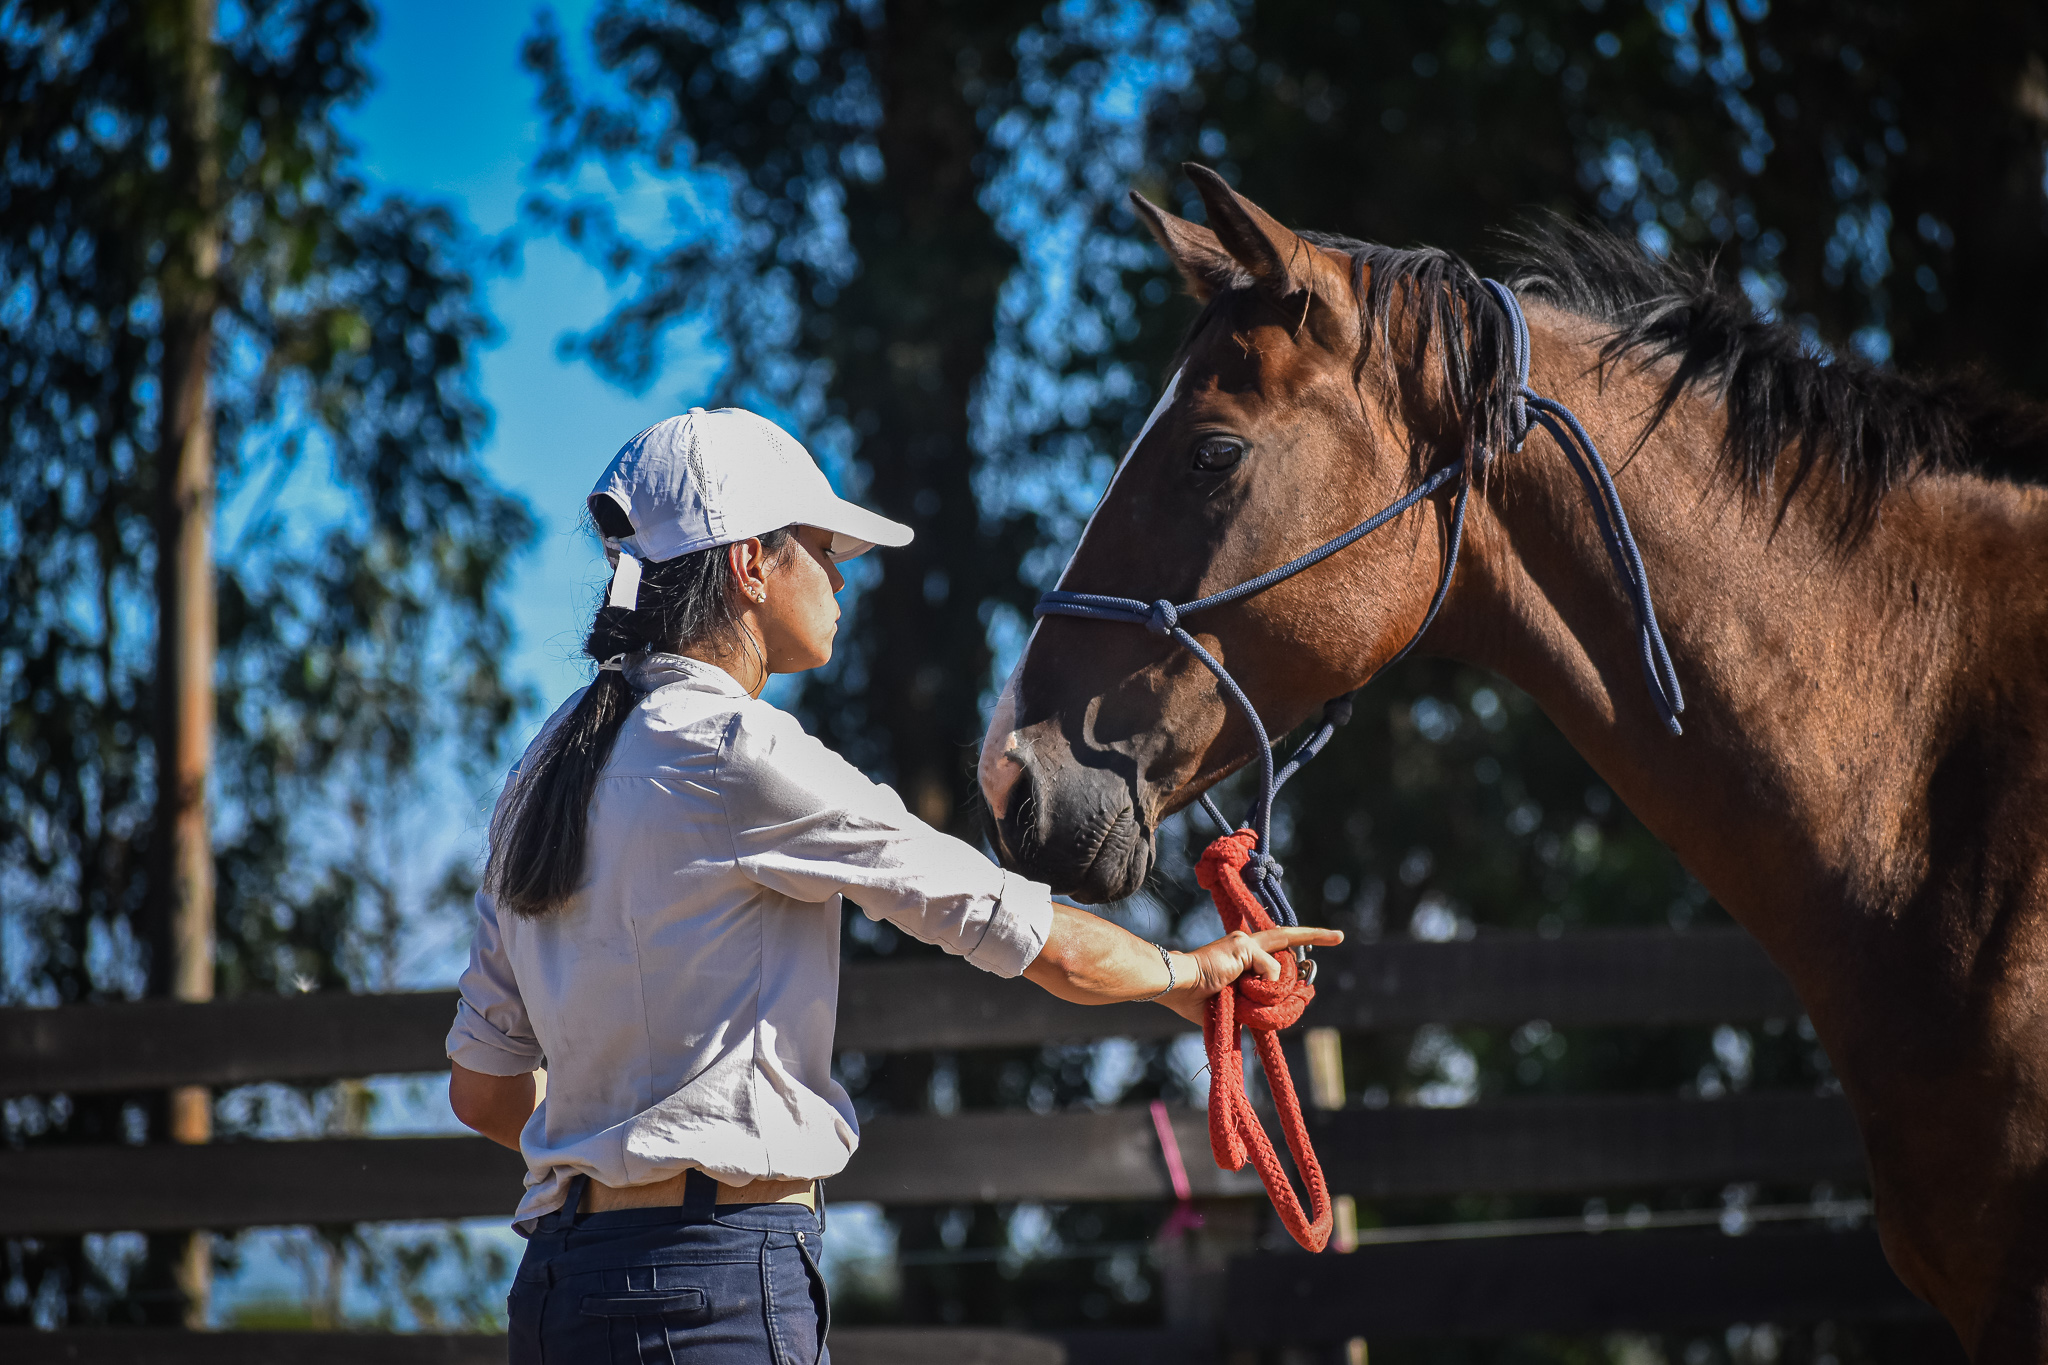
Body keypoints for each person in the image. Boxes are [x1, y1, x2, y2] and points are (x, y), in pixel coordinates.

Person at [445, 408, 1342, 1364]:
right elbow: (1023, 932)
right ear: (751, 564)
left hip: (557, 1286)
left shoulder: (541, 769)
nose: (840, 577)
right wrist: (1192, 971)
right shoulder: (746, 755)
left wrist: (611, 1160)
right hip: (712, 1287)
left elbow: (484, 1091)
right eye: (823, 549)